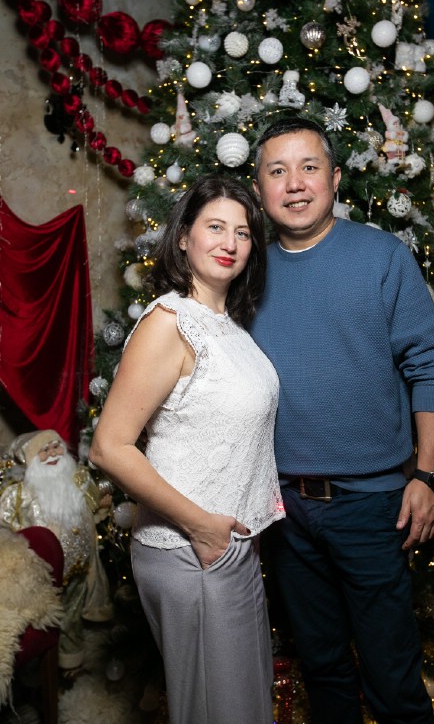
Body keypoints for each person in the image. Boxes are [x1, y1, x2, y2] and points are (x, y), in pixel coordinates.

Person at [249, 117, 434, 724]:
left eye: (309, 167)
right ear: (259, 188)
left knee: (393, 679)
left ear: (335, 178)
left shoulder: (382, 257)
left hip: (371, 506)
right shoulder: (246, 272)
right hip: (284, 509)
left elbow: (430, 367)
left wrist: (428, 476)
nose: (295, 183)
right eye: (277, 171)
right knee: (323, 670)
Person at [89, 175, 284, 724]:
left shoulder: (228, 325)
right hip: (191, 548)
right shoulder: (170, 323)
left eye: (242, 232)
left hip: (229, 544)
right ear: (183, 237)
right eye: (215, 227)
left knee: (243, 708)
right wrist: (202, 528)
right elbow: (109, 447)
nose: (230, 243)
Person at [0, 429, 113, 670]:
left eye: (56, 446)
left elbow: (95, 502)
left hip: (81, 568)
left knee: (74, 616)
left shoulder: (77, 481)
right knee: (46, 622)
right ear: (31, 459)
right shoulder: (19, 495)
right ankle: (44, 670)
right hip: (44, 578)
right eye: (44, 450)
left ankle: (71, 663)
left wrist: (103, 498)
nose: (52, 454)